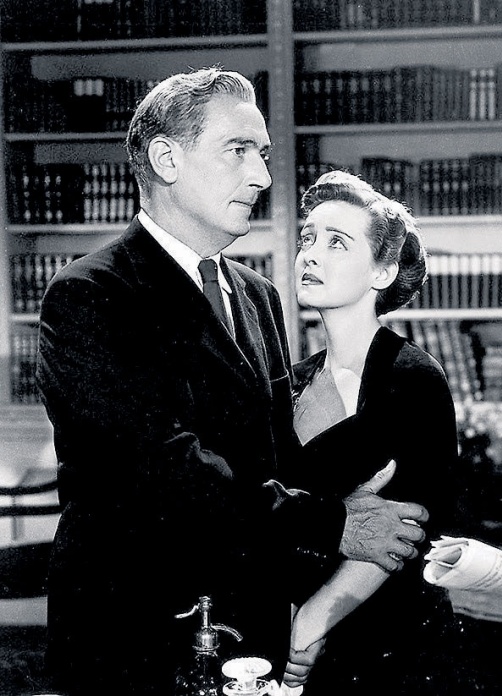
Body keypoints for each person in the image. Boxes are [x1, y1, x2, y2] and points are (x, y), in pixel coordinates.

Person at [36, 68, 428, 695]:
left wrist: (345, 496)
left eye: (263, 155)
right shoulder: (90, 293)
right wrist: (333, 522)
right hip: (136, 633)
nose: (263, 177)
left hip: (249, 624)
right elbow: (159, 468)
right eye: (238, 150)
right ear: (166, 159)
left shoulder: (258, 294)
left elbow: (270, 456)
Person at [278, 170, 464, 695]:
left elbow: (403, 527)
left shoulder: (413, 377)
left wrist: (309, 623)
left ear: (382, 271)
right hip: (294, 635)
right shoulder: (290, 381)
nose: (310, 255)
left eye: (336, 242)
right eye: (308, 239)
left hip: (390, 643)